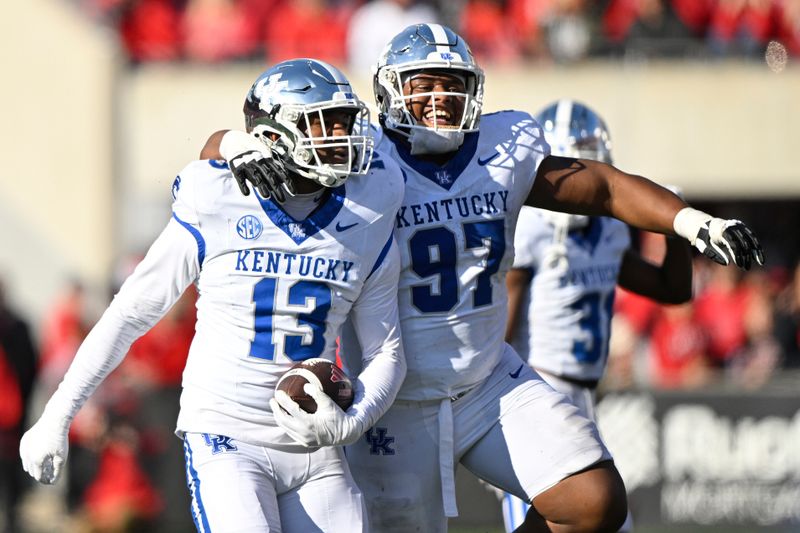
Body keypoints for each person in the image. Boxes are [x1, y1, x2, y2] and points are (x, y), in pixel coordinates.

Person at [208, 24, 763, 533]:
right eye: (423, 84)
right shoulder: (359, 158)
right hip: (391, 399)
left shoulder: (504, 149)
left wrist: (692, 221)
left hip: (487, 378)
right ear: (388, 90)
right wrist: (235, 144)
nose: (439, 99)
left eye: (452, 85)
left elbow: (602, 187)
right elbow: (213, 161)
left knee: (594, 500)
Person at [20, 58, 408, 533]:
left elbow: (387, 349)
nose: (339, 136)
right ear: (272, 133)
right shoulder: (219, 196)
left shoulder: (372, 202)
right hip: (229, 434)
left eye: (344, 121)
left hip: (317, 445)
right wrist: (57, 414)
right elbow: (131, 312)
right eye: (321, 122)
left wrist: (352, 422)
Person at [499, 99, 693, 532]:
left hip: (586, 394)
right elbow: (501, 335)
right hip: (538, 390)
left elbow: (673, 290)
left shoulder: (609, 228)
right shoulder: (530, 228)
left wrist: (674, 229)